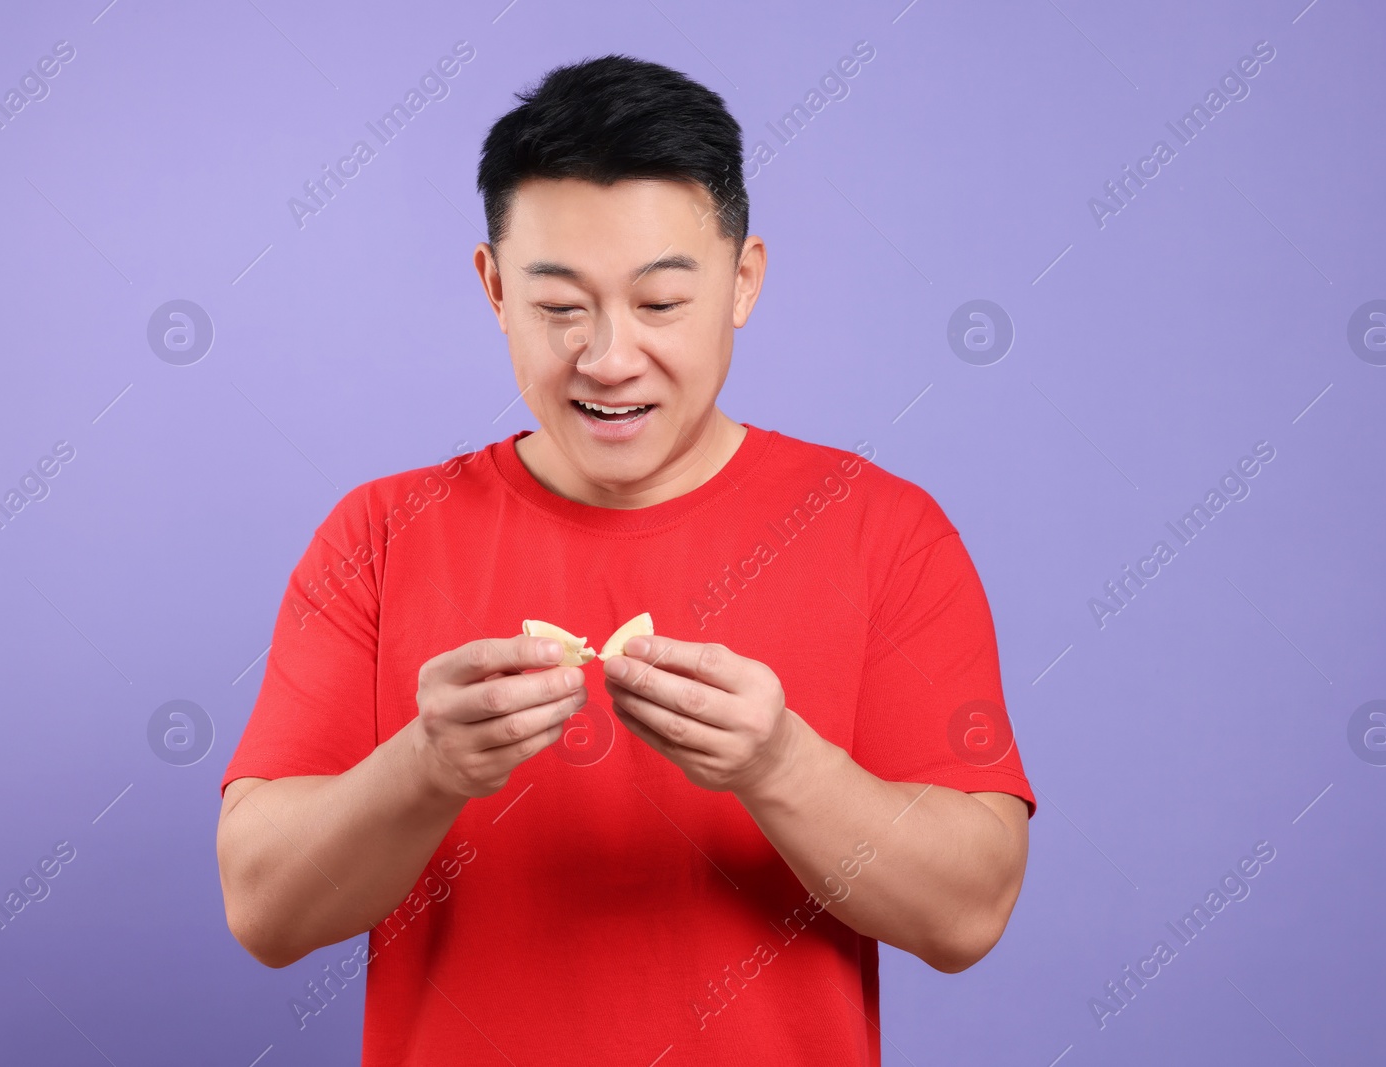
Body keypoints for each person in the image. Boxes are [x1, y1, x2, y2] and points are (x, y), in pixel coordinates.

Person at [216, 53, 1035, 1066]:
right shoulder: (378, 535)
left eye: (659, 304)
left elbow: (967, 912)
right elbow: (264, 908)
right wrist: (425, 767)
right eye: (560, 305)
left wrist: (780, 763)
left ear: (743, 282)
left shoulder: (885, 529)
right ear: (493, 288)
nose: (607, 358)